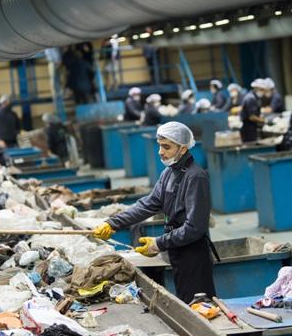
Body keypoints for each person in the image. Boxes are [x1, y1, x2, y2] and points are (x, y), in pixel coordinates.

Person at [93, 122, 217, 303]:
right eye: (160, 145)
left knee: (200, 305)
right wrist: (113, 223)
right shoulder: (169, 173)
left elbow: (195, 228)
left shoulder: (195, 177)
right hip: (177, 249)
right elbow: (148, 204)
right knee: (186, 300)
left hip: (193, 254)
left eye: (166, 147)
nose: (161, 151)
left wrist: (159, 243)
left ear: (182, 149)